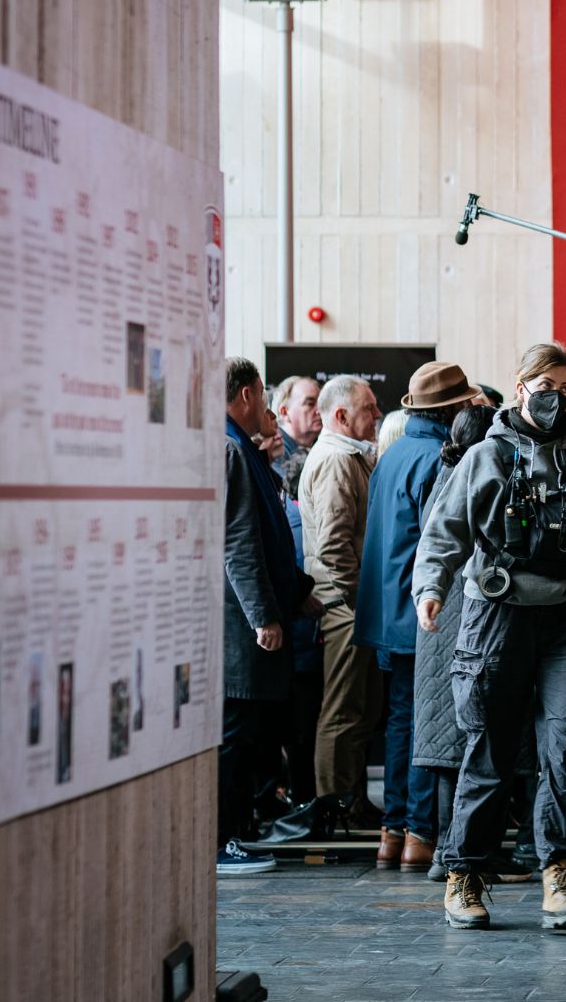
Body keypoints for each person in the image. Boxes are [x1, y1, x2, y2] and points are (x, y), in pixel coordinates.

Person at [413, 342, 566, 932]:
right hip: (495, 616)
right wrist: (431, 588)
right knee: (488, 750)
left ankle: (562, 872)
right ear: (520, 386)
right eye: (544, 383)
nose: (556, 395)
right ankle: (465, 874)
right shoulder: (484, 458)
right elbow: (443, 533)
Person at [355, 361, 483, 871]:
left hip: (386, 611)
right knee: (431, 725)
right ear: (451, 409)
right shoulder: (438, 459)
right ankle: (420, 834)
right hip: (422, 612)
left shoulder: (392, 455)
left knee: (400, 721)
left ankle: (392, 832)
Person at [411, 406, 535, 886]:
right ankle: (458, 851)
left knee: (455, 746)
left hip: (441, 632)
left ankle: (454, 849)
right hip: (467, 627)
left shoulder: (445, 475)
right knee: (472, 744)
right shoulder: (472, 480)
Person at [220, 358, 319, 876]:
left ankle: (239, 832)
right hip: (239, 627)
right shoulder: (232, 450)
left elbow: (274, 539)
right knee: (235, 736)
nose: (268, 408)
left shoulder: (249, 452)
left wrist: (299, 595)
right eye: (262, 396)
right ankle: (222, 842)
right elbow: (239, 544)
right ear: (244, 396)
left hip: (257, 617)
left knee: (249, 736)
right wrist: (264, 616)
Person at [299, 374, 385, 832]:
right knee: (344, 710)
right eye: (369, 408)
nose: (376, 415)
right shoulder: (337, 460)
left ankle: (351, 802)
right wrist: (359, 599)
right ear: (340, 416)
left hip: (351, 603)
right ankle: (335, 809)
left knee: (363, 709)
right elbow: (334, 547)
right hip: (345, 606)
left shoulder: (350, 457)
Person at [272, 375, 322, 490]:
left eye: (321, 404)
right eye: (310, 403)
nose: (319, 411)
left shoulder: (319, 448)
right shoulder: (273, 452)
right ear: (285, 412)